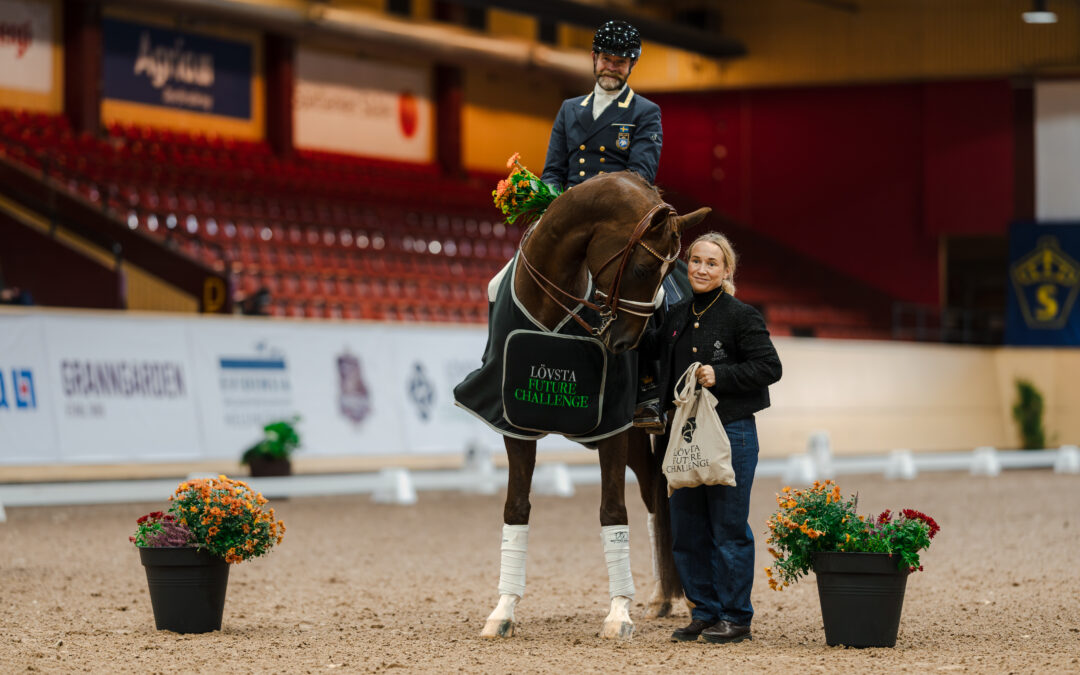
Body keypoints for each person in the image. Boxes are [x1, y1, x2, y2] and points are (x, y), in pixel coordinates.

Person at [641, 232, 782, 644]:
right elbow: (647, 348)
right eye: (696, 261)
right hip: (685, 436)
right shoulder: (676, 314)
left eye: (711, 263)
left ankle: (735, 617)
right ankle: (704, 611)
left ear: (726, 271)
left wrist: (721, 375)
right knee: (686, 530)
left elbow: (770, 367)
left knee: (728, 529)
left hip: (732, 432)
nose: (701, 269)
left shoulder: (741, 316)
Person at [540, 19, 672, 430]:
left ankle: (648, 390)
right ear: (594, 58)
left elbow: (640, 175)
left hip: (617, 228)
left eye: (621, 61)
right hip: (569, 223)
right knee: (499, 285)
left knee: (659, 297)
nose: (612, 67)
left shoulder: (645, 112)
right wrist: (549, 199)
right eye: (607, 59)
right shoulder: (569, 109)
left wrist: (595, 205)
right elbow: (553, 170)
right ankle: (494, 371)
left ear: (631, 65)